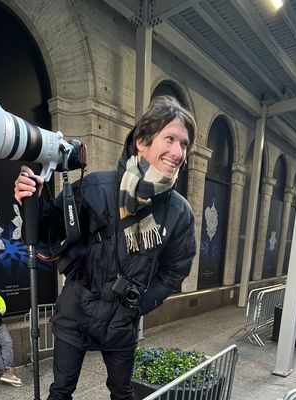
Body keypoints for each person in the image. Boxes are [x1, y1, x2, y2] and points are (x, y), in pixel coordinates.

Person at [14, 96, 197, 400]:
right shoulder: (96, 186)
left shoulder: (179, 213)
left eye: (184, 144)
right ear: (142, 141)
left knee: (122, 394)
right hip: (76, 312)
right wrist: (30, 202)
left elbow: (174, 272)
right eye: (170, 139)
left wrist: (136, 306)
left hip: (121, 322)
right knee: (60, 392)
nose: (178, 152)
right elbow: (49, 234)